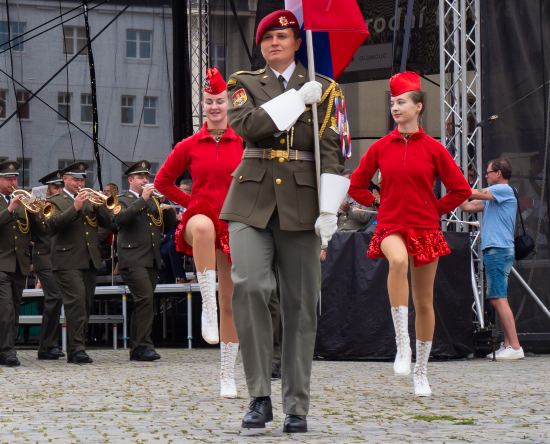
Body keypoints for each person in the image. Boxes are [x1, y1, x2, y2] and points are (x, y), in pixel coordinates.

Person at [223, 10, 347, 432]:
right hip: (250, 199)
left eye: (284, 35)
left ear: (298, 41)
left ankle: (297, 405)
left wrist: (329, 208)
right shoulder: (242, 83)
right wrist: (297, 99)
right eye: (268, 38)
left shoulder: (329, 90)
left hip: (302, 203)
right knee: (251, 286)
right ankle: (259, 395)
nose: (275, 42)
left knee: (299, 306)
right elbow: (251, 127)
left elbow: (333, 151)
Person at [348, 72, 472, 396]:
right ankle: (402, 344)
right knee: (398, 261)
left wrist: (436, 209)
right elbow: (356, 184)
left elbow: (461, 189)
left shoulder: (433, 149)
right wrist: (377, 200)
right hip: (389, 225)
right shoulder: (381, 147)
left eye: (401, 102)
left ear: (418, 107)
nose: (395, 107)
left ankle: (421, 372)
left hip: (425, 227)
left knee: (425, 301)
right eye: (392, 102)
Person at [154, 67, 247, 397]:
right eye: (209, 102)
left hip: (233, 222)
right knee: (204, 226)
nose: (215, 107)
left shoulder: (244, 143)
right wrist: (189, 200)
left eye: (220, 101)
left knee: (232, 302)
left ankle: (227, 375)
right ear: (203, 106)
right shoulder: (190, 144)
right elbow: (162, 181)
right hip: (199, 220)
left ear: (228, 103)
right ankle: (207, 305)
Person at [46, 161, 114, 365]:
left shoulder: (89, 199)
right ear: (65, 179)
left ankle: (78, 345)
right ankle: (76, 350)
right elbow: (52, 225)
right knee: (75, 303)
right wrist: (75, 207)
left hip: (89, 260)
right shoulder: (55, 200)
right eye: (75, 179)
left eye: (82, 179)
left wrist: (98, 206)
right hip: (66, 260)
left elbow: (108, 224)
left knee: (85, 304)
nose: (79, 183)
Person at [0, 160, 39, 367]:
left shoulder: (23, 201)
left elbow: (39, 230)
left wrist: (36, 212)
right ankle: (7, 351)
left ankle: (4, 348)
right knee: (4, 308)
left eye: (15, 178)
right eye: (9, 178)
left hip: (19, 262)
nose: (13, 182)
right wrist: (10, 209)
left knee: (13, 307)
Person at [460, 158, 524, 360]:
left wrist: (459, 180)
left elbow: (471, 193)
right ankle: (508, 344)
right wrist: (461, 184)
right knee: (498, 297)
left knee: (497, 298)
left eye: (488, 173)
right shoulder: (493, 197)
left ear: (499, 173)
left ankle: (515, 346)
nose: (486, 176)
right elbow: (467, 207)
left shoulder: (503, 190)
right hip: (496, 251)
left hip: (498, 250)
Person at [116, 160, 177, 364]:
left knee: (144, 302)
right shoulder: (121, 199)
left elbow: (169, 223)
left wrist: (165, 203)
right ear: (130, 180)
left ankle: (137, 349)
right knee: (145, 300)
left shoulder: (153, 199)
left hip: (151, 257)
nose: (145, 180)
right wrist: (143, 199)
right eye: (141, 177)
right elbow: (121, 219)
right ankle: (146, 346)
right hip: (132, 259)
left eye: (147, 177)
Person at [33, 170, 66, 360]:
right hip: (44, 257)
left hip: (60, 257)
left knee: (56, 299)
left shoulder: (62, 205)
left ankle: (49, 344)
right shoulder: (40, 206)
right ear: (46, 190)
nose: (59, 190)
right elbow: (38, 230)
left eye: (61, 186)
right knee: (54, 296)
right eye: (56, 187)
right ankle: (47, 345)